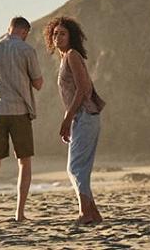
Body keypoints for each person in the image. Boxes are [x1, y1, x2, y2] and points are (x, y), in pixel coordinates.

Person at [0, 16, 44, 223]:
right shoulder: (26, 50)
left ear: (9, 28)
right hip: (19, 111)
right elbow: (38, 83)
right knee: (24, 162)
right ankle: (19, 212)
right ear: (25, 31)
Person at [44, 16, 105, 224]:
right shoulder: (65, 58)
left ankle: (84, 212)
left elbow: (83, 89)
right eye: (55, 34)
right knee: (80, 166)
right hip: (81, 117)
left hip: (85, 116)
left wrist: (67, 119)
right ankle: (93, 213)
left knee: (75, 167)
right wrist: (68, 118)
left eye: (62, 33)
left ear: (71, 36)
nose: (57, 37)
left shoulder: (72, 55)